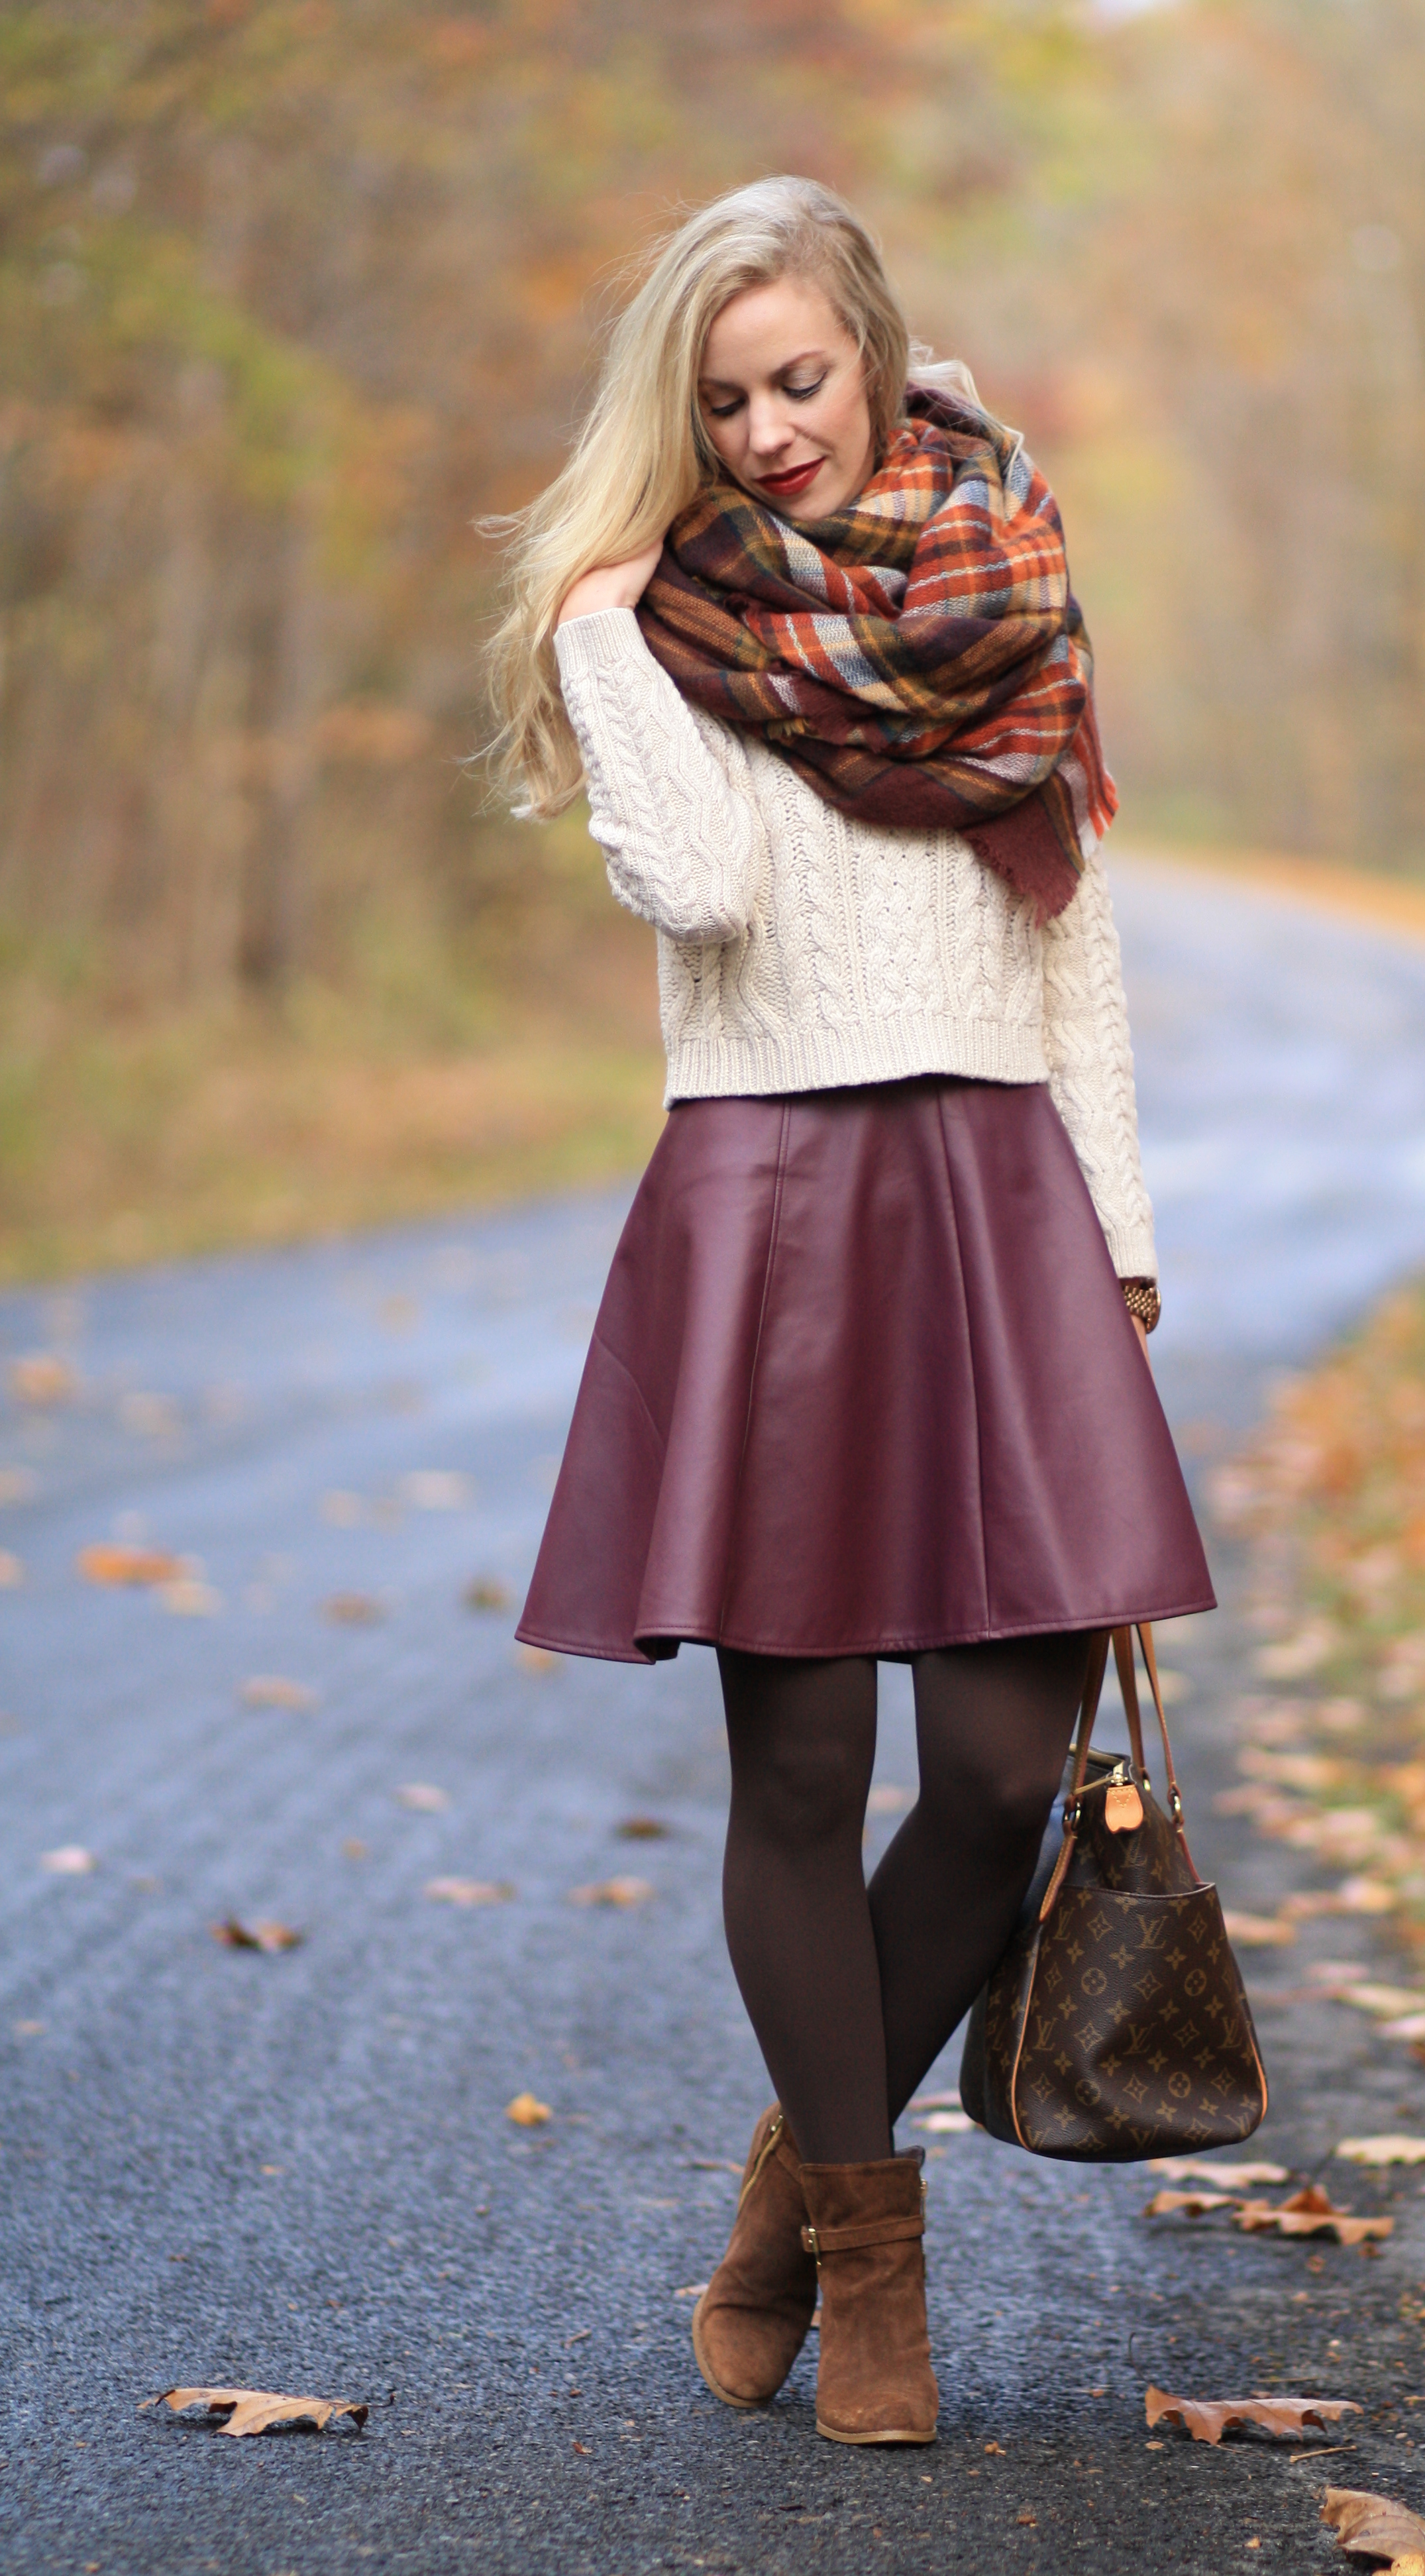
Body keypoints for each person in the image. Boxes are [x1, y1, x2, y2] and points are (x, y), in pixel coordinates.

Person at [482, 174, 1214, 2449]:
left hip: (1001, 1201)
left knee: (1000, 1769)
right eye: (722, 402)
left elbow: (1065, 918)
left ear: (876, 353)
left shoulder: (1013, 578)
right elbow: (700, 884)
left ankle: (795, 2188)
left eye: (799, 379)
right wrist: (604, 626)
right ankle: (876, 2259)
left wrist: (1117, 1223)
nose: (772, 432)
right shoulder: (666, 616)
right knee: (802, 1767)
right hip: (775, 1200)